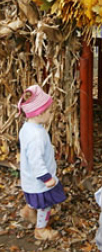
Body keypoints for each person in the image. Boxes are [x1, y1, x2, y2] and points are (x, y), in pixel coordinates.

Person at [17, 85, 66, 240]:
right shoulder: (36, 136)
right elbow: (36, 161)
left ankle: (28, 210)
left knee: (35, 200)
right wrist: (46, 178)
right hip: (40, 181)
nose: (51, 114)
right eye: (49, 111)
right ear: (39, 113)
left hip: (29, 178)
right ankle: (41, 229)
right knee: (45, 205)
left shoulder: (27, 128)